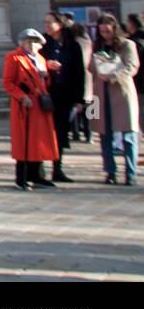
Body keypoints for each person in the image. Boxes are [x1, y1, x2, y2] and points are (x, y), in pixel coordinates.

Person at [2, 28, 60, 190]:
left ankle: (37, 175)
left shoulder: (40, 59)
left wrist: (46, 75)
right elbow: (8, 82)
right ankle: (22, 177)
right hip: (24, 106)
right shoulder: (14, 58)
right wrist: (22, 96)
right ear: (22, 42)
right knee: (24, 140)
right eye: (29, 41)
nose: (32, 45)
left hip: (40, 105)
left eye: (35, 42)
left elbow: (43, 84)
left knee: (39, 141)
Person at [90, 14, 139, 185]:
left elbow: (132, 66)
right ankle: (110, 171)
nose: (104, 33)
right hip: (100, 95)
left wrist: (113, 76)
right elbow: (91, 68)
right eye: (101, 31)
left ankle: (131, 173)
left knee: (128, 135)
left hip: (122, 93)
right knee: (104, 135)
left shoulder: (127, 44)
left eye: (107, 30)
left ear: (114, 28)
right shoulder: (98, 45)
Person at [43, 11, 92, 181]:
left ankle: (57, 168)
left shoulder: (72, 45)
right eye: (45, 23)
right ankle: (39, 167)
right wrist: (46, 65)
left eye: (50, 22)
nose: (47, 26)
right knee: (45, 131)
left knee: (61, 132)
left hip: (65, 93)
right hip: (47, 93)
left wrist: (79, 99)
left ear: (60, 24)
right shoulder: (43, 43)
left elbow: (79, 73)